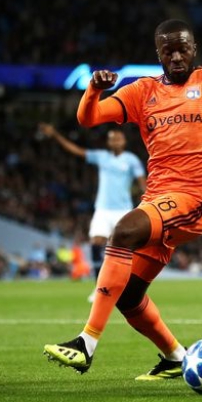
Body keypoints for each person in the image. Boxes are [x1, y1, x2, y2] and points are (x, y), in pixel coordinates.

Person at [43, 19, 202, 379]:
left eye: (183, 49)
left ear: (194, 49)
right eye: (169, 51)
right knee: (128, 296)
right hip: (159, 197)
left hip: (198, 195)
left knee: (124, 231)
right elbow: (88, 118)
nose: (177, 56)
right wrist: (93, 89)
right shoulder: (142, 91)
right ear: (159, 54)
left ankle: (86, 343)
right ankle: (175, 356)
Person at [38, 123, 146, 302]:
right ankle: (99, 288)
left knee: (125, 249)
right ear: (108, 143)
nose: (115, 142)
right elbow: (77, 151)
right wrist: (56, 135)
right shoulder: (101, 157)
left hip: (123, 210)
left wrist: (147, 201)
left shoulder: (131, 160)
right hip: (103, 209)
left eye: (118, 139)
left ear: (124, 141)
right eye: (112, 139)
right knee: (96, 242)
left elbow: (142, 182)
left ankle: (126, 286)